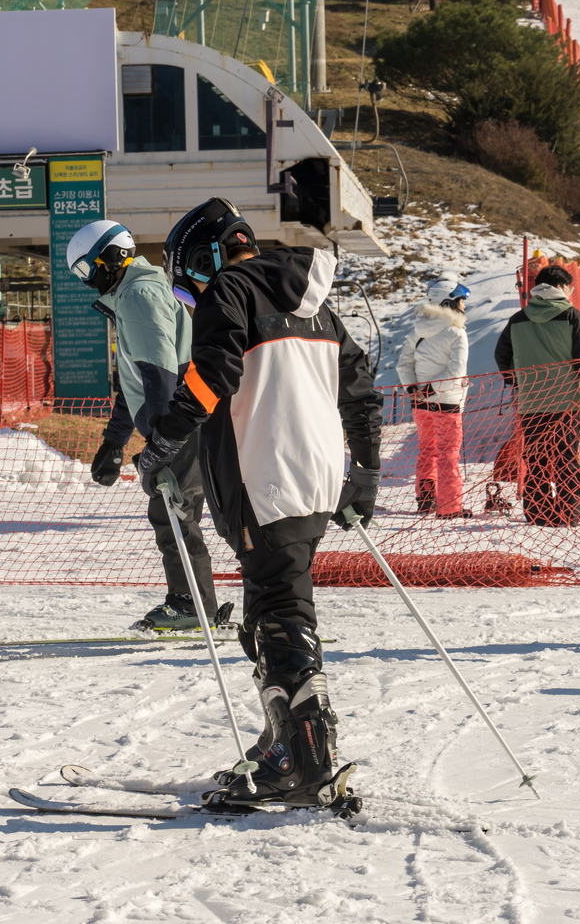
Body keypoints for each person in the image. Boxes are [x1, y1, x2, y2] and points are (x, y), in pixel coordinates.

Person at [137, 198, 384, 809]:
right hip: (314, 478)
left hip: (265, 476)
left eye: (189, 272)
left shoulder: (229, 289)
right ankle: (286, 747)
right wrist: (366, 469)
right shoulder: (317, 306)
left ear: (208, 255)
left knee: (279, 610)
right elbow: (359, 388)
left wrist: (165, 436)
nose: (192, 289)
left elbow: (211, 374)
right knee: (270, 608)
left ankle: (305, 763)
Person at [66, 220, 223, 632]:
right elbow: (135, 382)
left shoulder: (137, 294)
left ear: (111, 257)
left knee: (173, 510)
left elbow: (160, 375)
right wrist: (113, 442)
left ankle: (191, 604)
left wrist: (162, 440)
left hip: (183, 422)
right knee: (175, 509)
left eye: (86, 270)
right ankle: (198, 602)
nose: (87, 282)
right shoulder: (133, 293)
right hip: (183, 420)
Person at [494, 265, 580, 527]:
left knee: (535, 458)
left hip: (531, 403)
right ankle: (568, 512)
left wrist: (517, 381)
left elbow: (501, 356)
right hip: (565, 402)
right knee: (565, 457)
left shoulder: (518, 319)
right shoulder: (572, 316)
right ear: (560, 287)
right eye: (570, 288)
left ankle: (538, 513)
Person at [396, 278, 471, 518]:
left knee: (427, 449)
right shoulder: (457, 333)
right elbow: (455, 372)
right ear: (448, 302)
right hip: (447, 402)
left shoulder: (416, 330)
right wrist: (431, 390)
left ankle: (426, 500)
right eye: (461, 301)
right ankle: (450, 508)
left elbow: (403, 364)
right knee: (449, 453)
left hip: (420, 404)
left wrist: (413, 389)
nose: (464, 307)